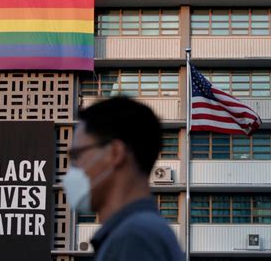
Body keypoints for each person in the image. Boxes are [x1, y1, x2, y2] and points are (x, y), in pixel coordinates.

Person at [63, 96, 184, 261]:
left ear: (115, 153)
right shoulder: (143, 231)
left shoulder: (134, 238)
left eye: (77, 155)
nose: (72, 169)